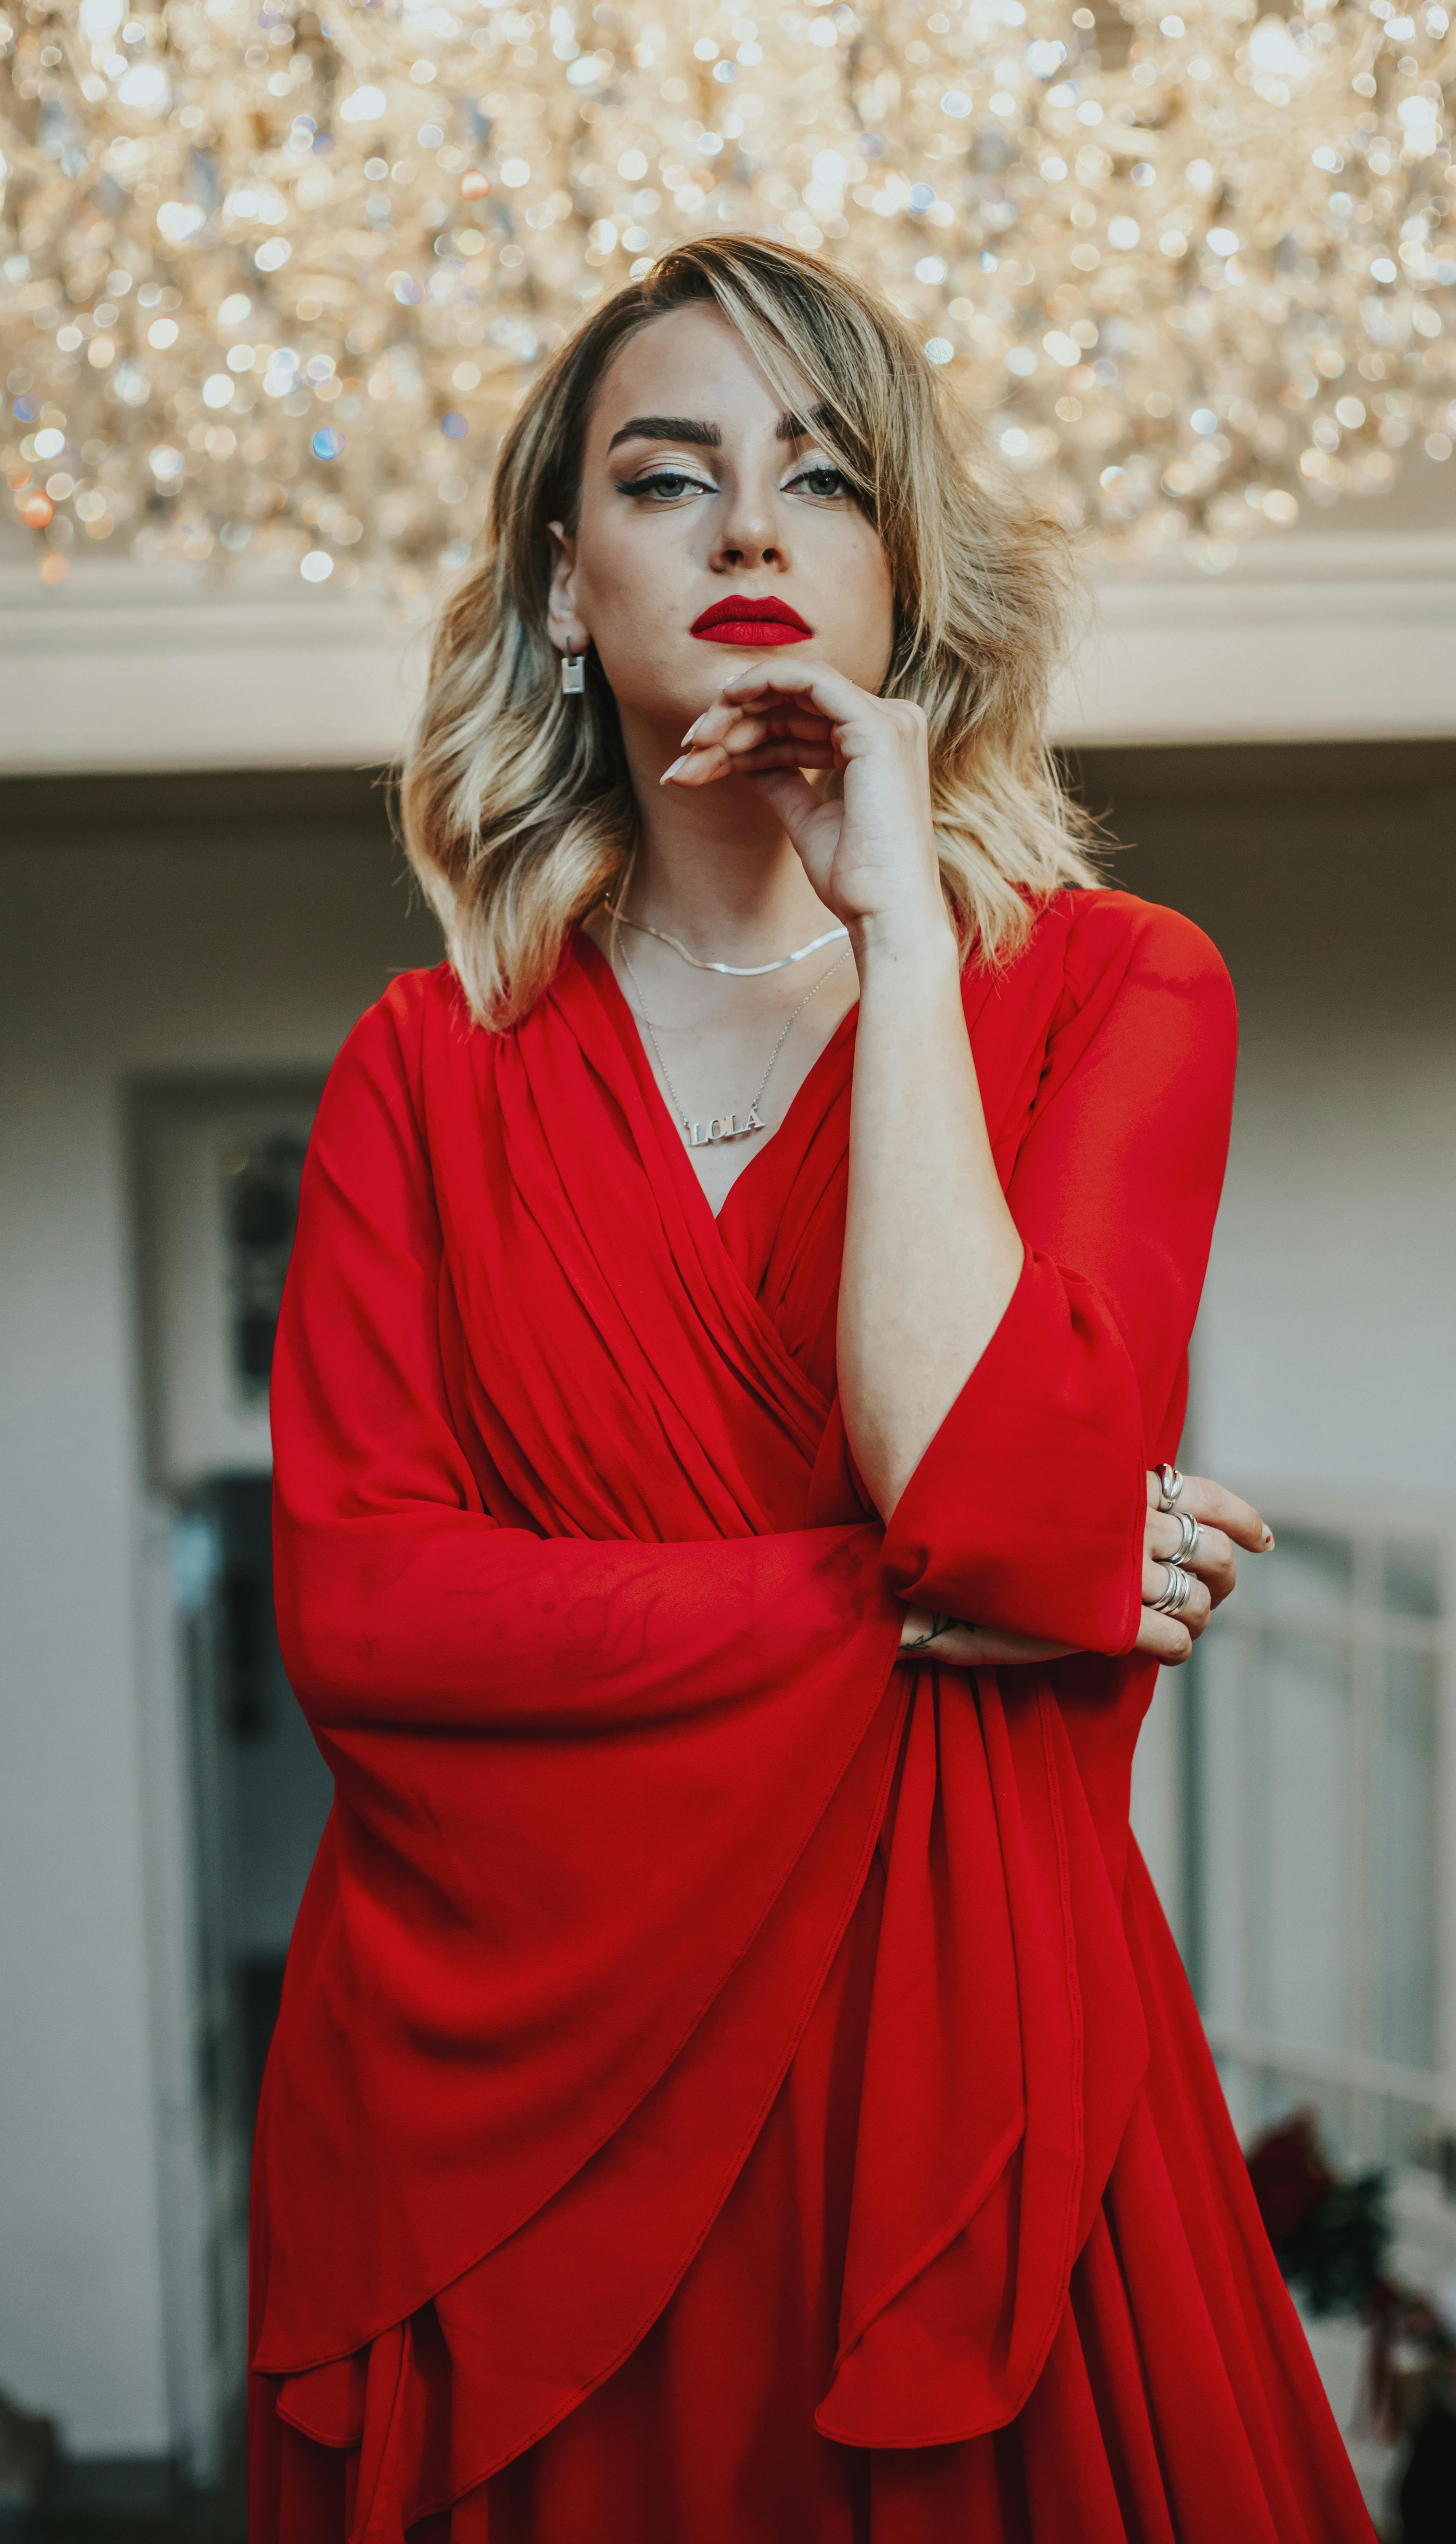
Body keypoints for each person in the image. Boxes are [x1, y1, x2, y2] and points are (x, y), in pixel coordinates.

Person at [249, 237, 1375, 2543]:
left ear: (901, 577)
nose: (753, 532)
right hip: (526, 2113)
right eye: (670, 481)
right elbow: (368, 1616)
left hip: (959, 2062)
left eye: (825, 481)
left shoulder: (1124, 989)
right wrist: (891, 1608)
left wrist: (901, 932)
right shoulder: (415, 1078)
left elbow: (969, 1493)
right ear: (567, 589)